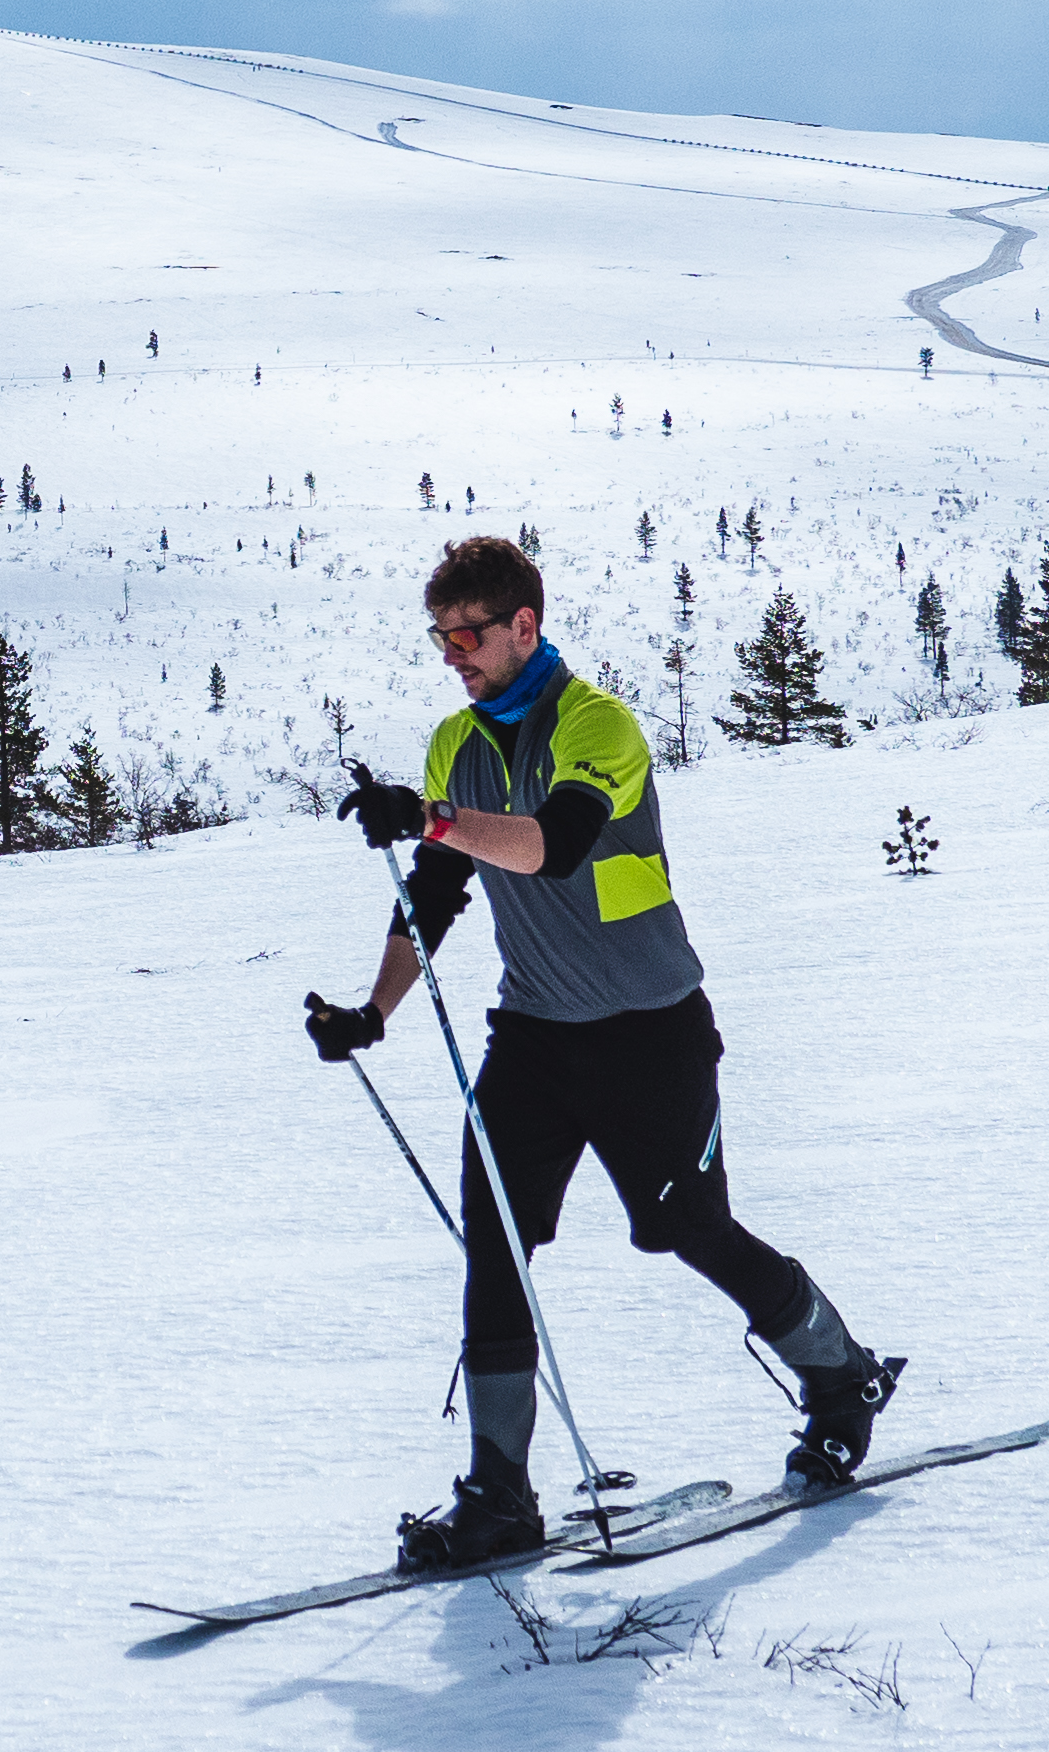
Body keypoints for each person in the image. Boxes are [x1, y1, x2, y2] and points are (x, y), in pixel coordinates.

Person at [303, 534, 902, 1566]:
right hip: (533, 1037)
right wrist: (374, 1011)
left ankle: (841, 1374)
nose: (452, 654)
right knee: (494, 1244)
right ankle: (500, 1496)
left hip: (650, 1033)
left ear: (523, 626)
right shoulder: (455, 743)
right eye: (440, 637)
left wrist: (433, 818)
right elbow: (435, 898)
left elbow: (556, 844)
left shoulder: (598, 726)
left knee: (690, 1232)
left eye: (468, 635)